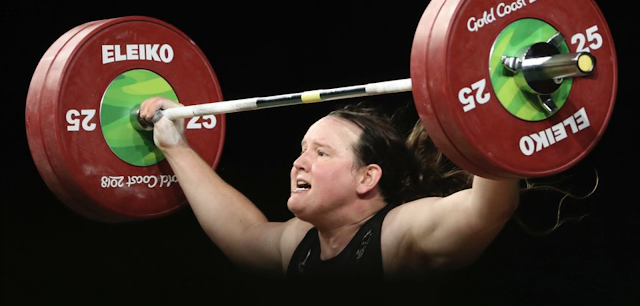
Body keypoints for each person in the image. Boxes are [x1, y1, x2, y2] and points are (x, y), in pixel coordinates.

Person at [139, 97, 520, 281]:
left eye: (321, 153)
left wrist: (502, 112)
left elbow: (485, 209)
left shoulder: (398, 233)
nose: (299, 163)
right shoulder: (301, 241)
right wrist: (175, 146)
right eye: (303, 150)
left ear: (366, 178)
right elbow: (242, 234)